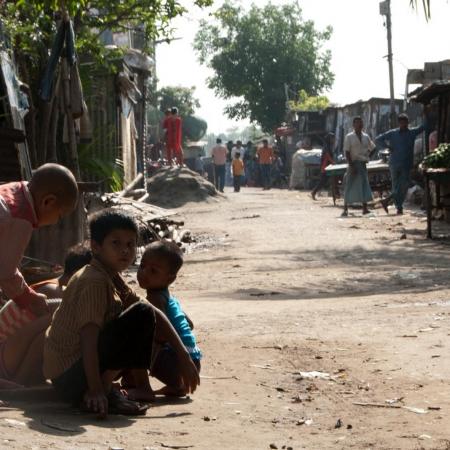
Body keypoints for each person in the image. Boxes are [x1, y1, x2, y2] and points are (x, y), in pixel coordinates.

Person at [43, 209, 200, 416]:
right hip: (70, 377)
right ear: (96, 247)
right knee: (140, 315)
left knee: (143, 312)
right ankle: (103, 390)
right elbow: (88, 339)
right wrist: (97, 390)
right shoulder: (94, 281)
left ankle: (108, 387)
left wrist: (184, 357)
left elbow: (152, 312)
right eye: (116, 243)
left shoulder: (110, 275)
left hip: (74, 372)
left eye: (130, 244)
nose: (125, 251)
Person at [0, 163, 78, 318]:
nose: (56, 222)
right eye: (59, 216)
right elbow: (6, 273)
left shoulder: (11, 190)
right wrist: (29, 298)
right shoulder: (20, 220)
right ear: (48, 202)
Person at [133, 240, 202, 397]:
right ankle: (178, 386)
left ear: (170, 279)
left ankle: (142, 388)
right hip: (194, 362)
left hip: (178, 365)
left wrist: (155, 341)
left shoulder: (155, 299)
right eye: (142, 266)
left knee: (134, 338)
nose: (143, 273)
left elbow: (163, 332)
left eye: (153, 271)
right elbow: (189, 324)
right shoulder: (170, 298)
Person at [376, 114, 426, 215]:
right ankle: (399, 208)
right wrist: (387, 147)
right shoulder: (393, 133)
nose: (404, 124)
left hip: (406, 164)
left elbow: (423, 127)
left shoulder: (412, 132)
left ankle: (388, 200)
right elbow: (378, 139)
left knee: (404, 185)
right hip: (394, 163)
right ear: (399, 123)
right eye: (402, 122)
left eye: (405, 122)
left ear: (407, 123)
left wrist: (428, 114)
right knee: (396, 186)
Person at [342, 117, 375, 217]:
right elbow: (347, 152)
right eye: (357, 123)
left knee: (364, 184)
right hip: (353, 163)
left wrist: (368, 155)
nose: (359, 125)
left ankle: (365, 208)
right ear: (354, 125)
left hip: (362, 163)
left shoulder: (366, 136)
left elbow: (373, 147)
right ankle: (345, 209)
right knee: (349, 184)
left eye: (361, 123)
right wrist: (351, 165)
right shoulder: (349, 137)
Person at [311, 133, 335, 200]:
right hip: (325, 165)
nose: (334, 140)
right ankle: (314, 192)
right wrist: (332, 162)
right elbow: (327, 155)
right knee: (323, 181)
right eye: (332, 138)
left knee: (328, 180)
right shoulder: (326, 146)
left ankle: (336, 193)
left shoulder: (329, 146)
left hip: (328, 165)